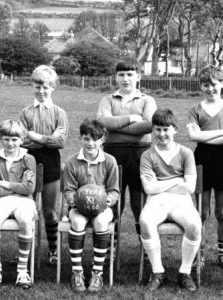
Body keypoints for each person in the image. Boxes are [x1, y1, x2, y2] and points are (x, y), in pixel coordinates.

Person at [140, 108, 201, 292]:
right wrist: (176, 180)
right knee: (145, 221)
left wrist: (162, 183)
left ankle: (185, 272)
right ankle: (158, 272)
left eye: (166, 129)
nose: (162, 134)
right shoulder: (147, 155)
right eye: (158, 129)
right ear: (153, 130)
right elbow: (149, 188)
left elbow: (189, 188)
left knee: (195, 225)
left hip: (181, 200)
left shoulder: (185, 153)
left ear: (175, 129)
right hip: (156, 201)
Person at [97, 58, 157, 242]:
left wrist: (116, 126)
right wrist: (132, 117)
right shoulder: (108, 99)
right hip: (113, 155)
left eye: (130, 74)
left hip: (140, 155)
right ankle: (111, 246)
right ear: (115, 78)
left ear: (138, 76)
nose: (125, 79)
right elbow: (102, 122)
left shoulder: (147, 100)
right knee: (114, 201)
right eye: (121, 75)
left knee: (140, 204)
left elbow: (148, 126)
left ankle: (145, 247)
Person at [63, 119, 120, 293]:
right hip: (79, 207)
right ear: (80, 138)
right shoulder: (72, 162)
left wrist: (107, 201)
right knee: (78, 222)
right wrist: (75, 201)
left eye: (95, 139)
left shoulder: (109, 161)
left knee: (101, 222)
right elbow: (69, 190)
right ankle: (77, 271)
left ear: (102, 139)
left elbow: (114, 191)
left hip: (102, 207)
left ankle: (97, 272)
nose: (91, 143)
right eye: (86, 138)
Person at [20, 65, 68, 265]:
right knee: (27, 208)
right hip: (28, 162)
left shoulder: (59, 113)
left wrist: (35, 135)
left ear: (53, 87)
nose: (41, 91)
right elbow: (22, 141)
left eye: (45, 87)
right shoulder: (25, 112)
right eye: (37, 86)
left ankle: (53, 250)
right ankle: (26, 250)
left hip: (51, 163)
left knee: (48, 210)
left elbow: (61, 142)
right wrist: (47, 138)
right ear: (32, 86)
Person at [0, 119, 37, 289]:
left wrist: (6, 184)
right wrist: (18, 188)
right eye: (6, 139)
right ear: (0, 138)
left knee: (25, 220)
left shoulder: (28, 158)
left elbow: (29, 188)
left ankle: (22, 270)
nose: (10, 143)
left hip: (24, 201)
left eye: (15, 139)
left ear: (22, 139)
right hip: (0, 201)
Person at [187, 65, 223, 269]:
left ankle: (221, 252)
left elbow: (200, 136)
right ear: (201, 86)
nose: (210, 88)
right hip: (201, 160)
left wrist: (204, 135)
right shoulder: (195, 109)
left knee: (222, 212)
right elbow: (193, 137)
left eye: (214, 84)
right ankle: (197, 252)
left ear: (222, 84)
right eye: (205, 84)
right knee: (202, 212)